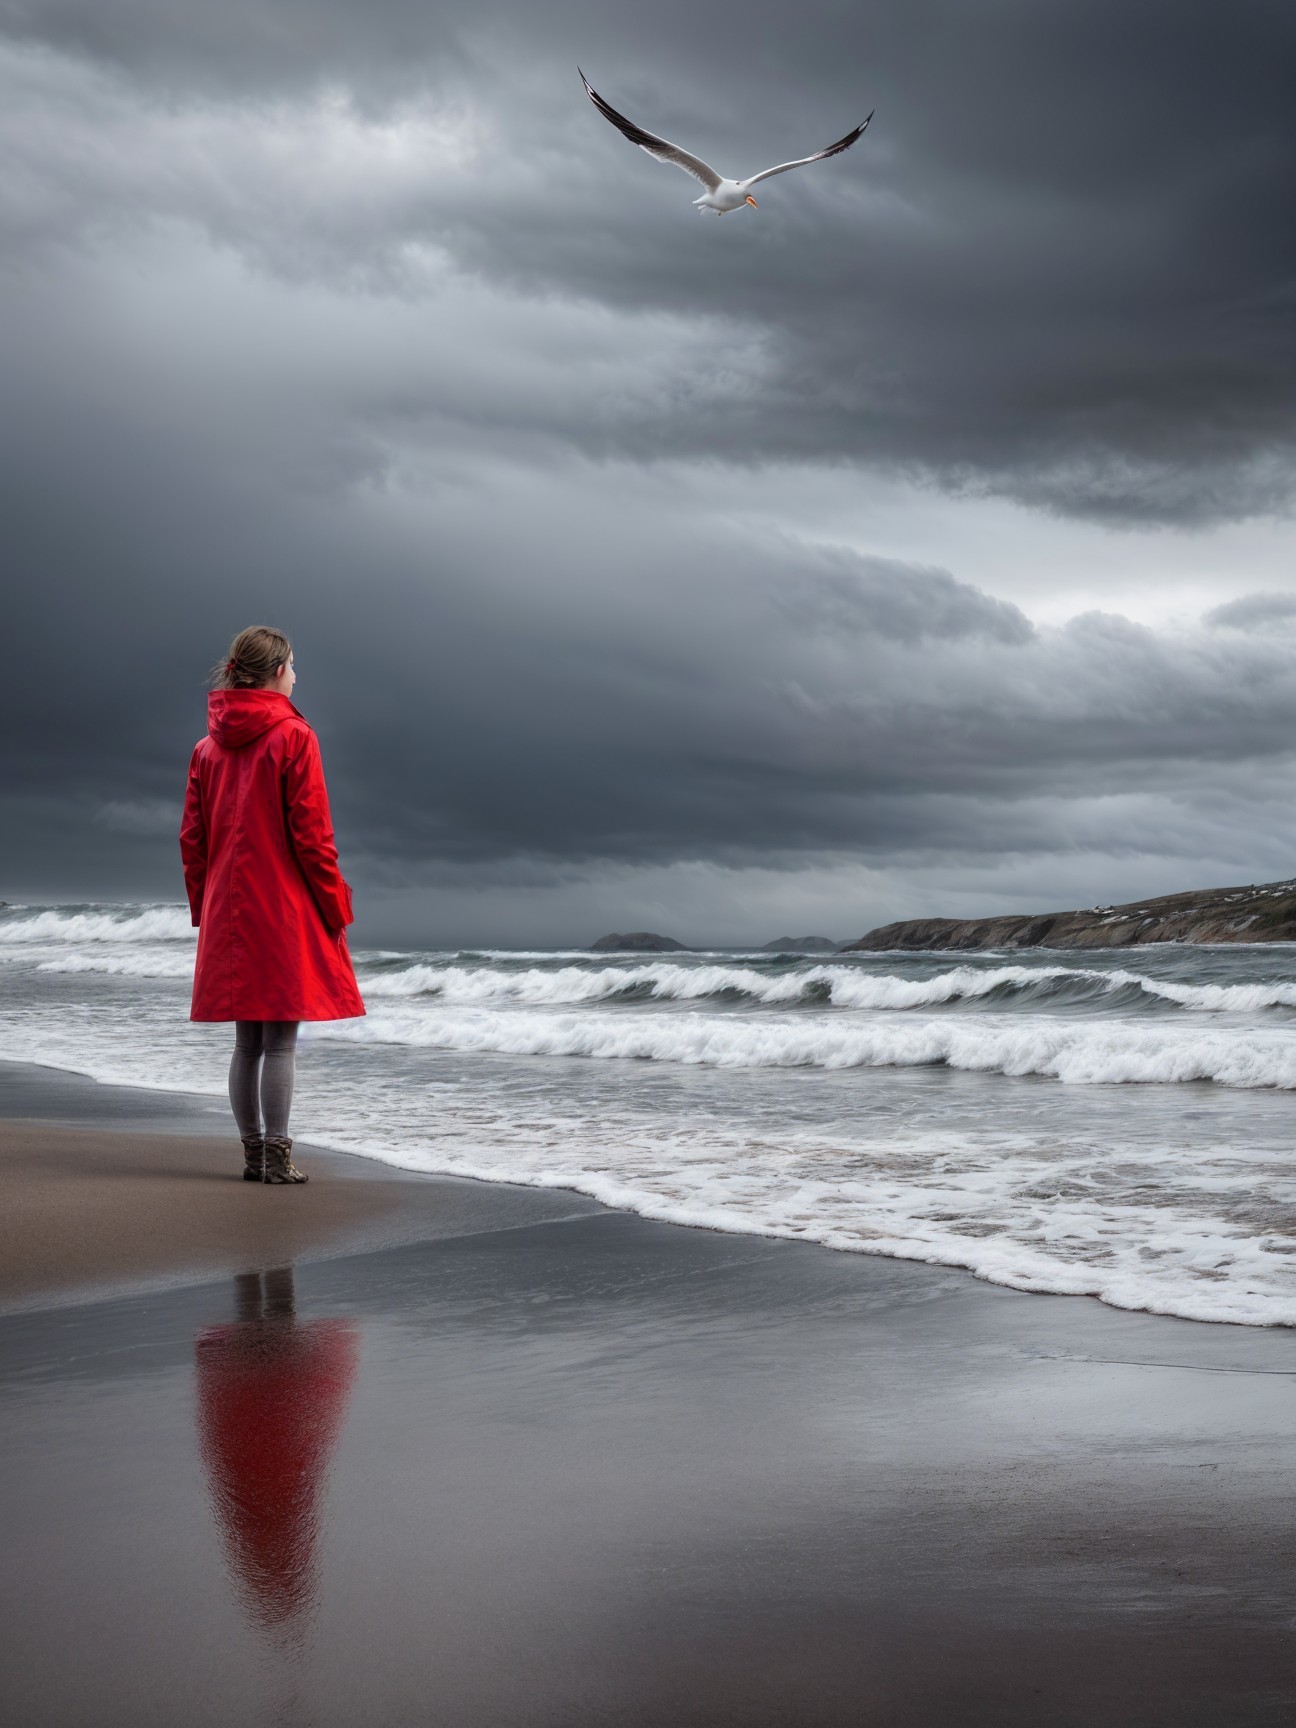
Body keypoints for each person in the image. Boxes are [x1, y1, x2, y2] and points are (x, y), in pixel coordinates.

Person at [180, 626, 365, 1184]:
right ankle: (278, 1159)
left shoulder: (205, 748)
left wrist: (204, 908)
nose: (296, 675)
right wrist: (337, 907)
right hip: (282, 907)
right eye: (293, 666)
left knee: (248, 1042)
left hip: (228, 910)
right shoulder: (294, 737)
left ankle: (253, 1154)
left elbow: (193, 839)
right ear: (277, 671)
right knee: (280, 1041)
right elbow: (312, 836)